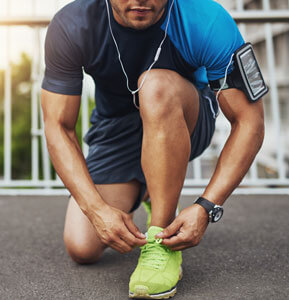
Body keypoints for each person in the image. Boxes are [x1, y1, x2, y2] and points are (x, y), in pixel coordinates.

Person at [41, 0, 265, 298]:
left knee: (155, 86)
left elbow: (249, 121)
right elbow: (58, 126)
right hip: (117, 129)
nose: (140, 0)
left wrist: (207, 207)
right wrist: (95, 210)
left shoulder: (205, 19)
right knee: (82, 245)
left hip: (184, 115)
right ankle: (151, 190)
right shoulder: (72, 25)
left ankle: (161, 235)